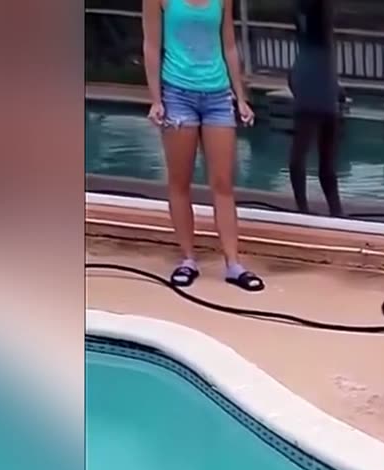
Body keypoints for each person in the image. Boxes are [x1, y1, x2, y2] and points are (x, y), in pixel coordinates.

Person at [143, 0, 265, 291]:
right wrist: (156, 99)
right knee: (180, 181)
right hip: (177, 94)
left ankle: (233, 263)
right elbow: (151, 45)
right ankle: (187, 259)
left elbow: (230, 46)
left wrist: (241, 96)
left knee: (223, 182)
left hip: (218, 96)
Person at [288, 0, 344, 217]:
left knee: (311, 156)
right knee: (321, 158)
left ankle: (314, 210)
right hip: (317, 84)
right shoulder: (316, 19)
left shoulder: (309, 20)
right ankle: (333, 211)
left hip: (318, 82)